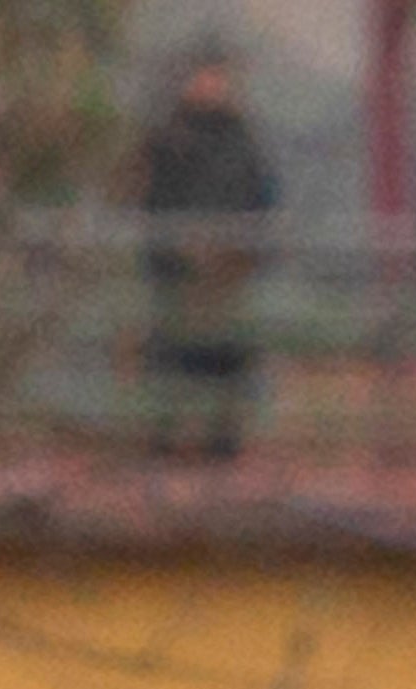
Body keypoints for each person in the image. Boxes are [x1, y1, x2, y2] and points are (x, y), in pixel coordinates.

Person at [130, 44, 281, 461]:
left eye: (218, 76)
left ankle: (222, 446)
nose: (211, 85)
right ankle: (162, 441)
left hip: (228, 272)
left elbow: (260, 198)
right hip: (179, 267)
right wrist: (179, 243)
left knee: (227, 358)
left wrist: (239, 248)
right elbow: (152, 200)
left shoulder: (244, 138)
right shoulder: (168, 136)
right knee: (170, 355)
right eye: (204, 75)